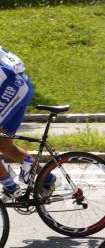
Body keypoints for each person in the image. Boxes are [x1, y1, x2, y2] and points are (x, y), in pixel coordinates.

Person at [0, 46, 54, 198]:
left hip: (11, 86)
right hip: (20, 84)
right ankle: (46, 179)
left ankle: (11, 187)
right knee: (3, 144)